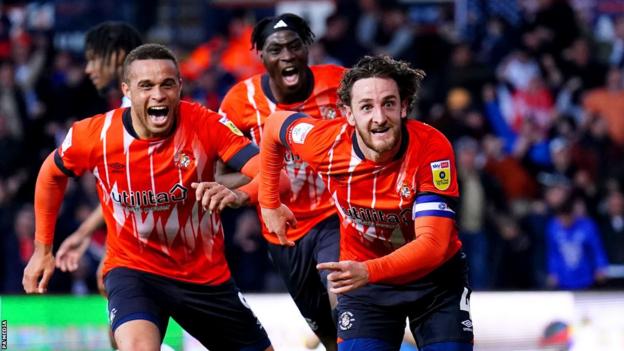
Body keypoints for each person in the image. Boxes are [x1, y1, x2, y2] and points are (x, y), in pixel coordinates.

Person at [22, 43, 273, 351]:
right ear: (127, 90)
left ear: (180, 86)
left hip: (203, 275)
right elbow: (51, 173)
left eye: (168, 84)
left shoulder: (206, 124)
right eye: (146, 86)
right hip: (134, 269)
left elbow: (271, 171)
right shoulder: (95, 135)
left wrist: (237, 195)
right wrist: (42, 250)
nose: (158, 95)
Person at [259, 55, 474, 351]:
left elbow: (433, 244)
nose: (379, 117)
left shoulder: (432, 148)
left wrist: (368, 271)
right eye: (366, 107)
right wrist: (269, 202)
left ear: (403, 106)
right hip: (367, 289)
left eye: (388, 103)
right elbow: (274, 126)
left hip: (434, 281)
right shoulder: (324, 143)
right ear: (348, 114)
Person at [218, 13, 345, 350]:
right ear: (260, 55)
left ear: (308, 49)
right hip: (282, 232)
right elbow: (219, 174)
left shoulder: (340, 83)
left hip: (336, 216)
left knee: (342, 296)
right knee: (328, 335)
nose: (287, 56)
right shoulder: (239, 102)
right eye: (276, 50)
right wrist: (265, 176)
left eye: (295, 46)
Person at [55, 22, 144, 295]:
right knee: (120, 327)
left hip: (159, 244)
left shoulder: (142, 109)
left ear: (117, 55)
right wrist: (84, 234)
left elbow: (143, 185)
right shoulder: (125, 107)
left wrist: (115, 249)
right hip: (139, 239)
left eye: (94, 59)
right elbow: (124, 190)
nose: (88, 69)